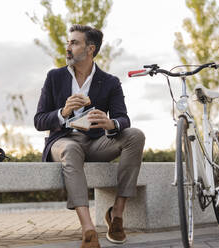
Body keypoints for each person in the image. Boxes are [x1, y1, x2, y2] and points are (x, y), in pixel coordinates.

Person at [34, 24, 145, 248]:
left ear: (90, 49)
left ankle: (117, 215)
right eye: (69, 42)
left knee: (135, 135)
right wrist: (63, 113)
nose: (68, 47)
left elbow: (124, 119)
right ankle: (89, 230)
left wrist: (110, 123)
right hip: (62, 142)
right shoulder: (55, 77)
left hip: (96, 143)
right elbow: (39, 120)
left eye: (74, 43)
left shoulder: (110, 81)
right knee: (71, 149)